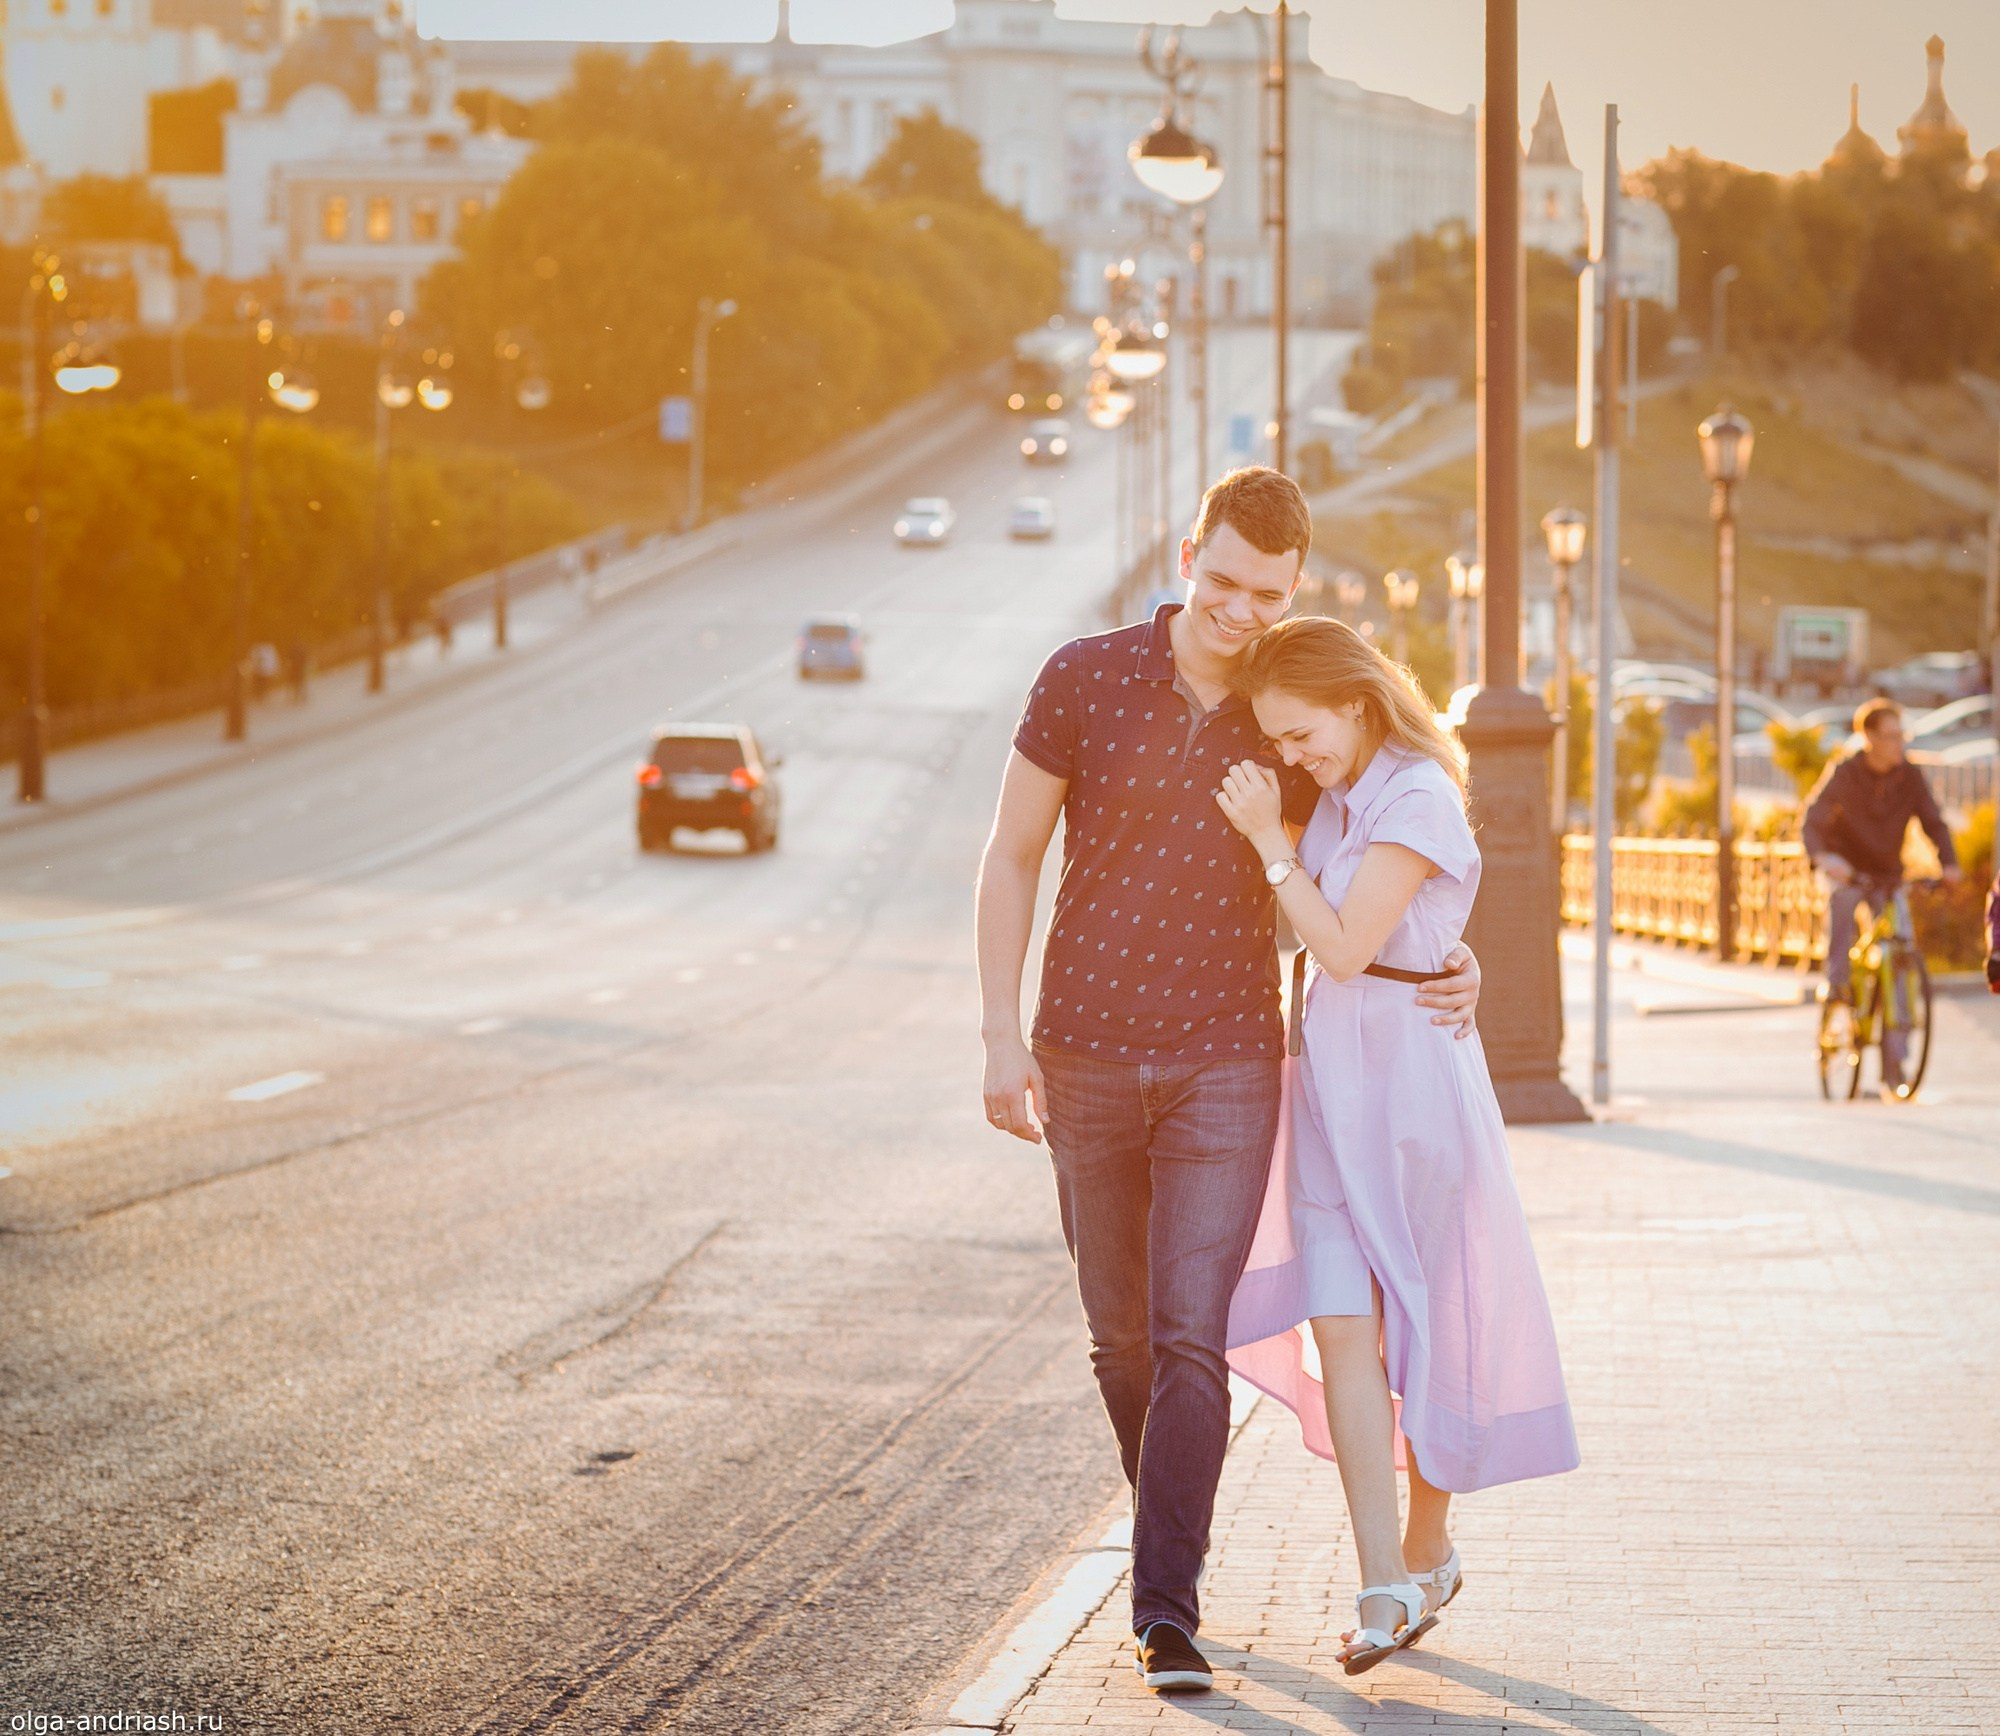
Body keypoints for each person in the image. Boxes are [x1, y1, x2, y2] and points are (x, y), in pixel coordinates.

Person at [974, 468, 1482, 1696]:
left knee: (1188, 1333)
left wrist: (1456, 955)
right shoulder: (1081, 676)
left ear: (1294, 588)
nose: (1238, 610)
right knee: (1120, 1339)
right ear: (1187, 550)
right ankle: (1166, 1546)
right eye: (1222, 581)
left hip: (1227, 1058)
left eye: (1266, 592)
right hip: (1082, 1048)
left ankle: (1164, 1610)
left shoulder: (1284, 711)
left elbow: (1393, 846)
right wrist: (1000, 1032)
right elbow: (1010, 854)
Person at [1215, 615, 1579, 1675]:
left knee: (1426, 1324)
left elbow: (1335, 944)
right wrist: (1436, 947)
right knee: (1340, 1328)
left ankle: (1425, 1549)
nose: (1290, 757)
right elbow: (1325, 930)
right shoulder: (1335, 799)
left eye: (1297, 733)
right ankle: (1382, 1580)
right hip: (1331, 1093)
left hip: (1413, 1097)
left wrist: (1269, 844)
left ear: (1353, 698)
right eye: (1276, 742)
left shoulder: (1415, 791)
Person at [1802, 699, 1960, 1088]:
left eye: (1900, 735)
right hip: (1849, 870)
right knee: (1841, 900)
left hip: (1888, 874)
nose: (1898, 743)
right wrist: (1824, 857)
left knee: (1901, 953)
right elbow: (1814, 820)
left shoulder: (1909, 777)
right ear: (1868, 737)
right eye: (1889, 736)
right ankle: (1838, 984)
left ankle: (1895, 1065)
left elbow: (1933, 821)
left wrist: (1949, 864)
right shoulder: (1846, 773)